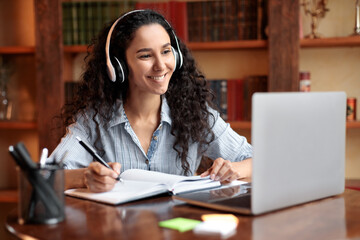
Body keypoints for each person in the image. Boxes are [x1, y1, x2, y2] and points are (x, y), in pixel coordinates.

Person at [51, 9, 253, 193]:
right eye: (145, 55)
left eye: (166, 52)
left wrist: (233, 169)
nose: (160, 66)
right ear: (119, 66)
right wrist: (85, 177)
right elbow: (46, 177)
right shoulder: (93, 120)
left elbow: (261, 160)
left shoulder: (194, 113)